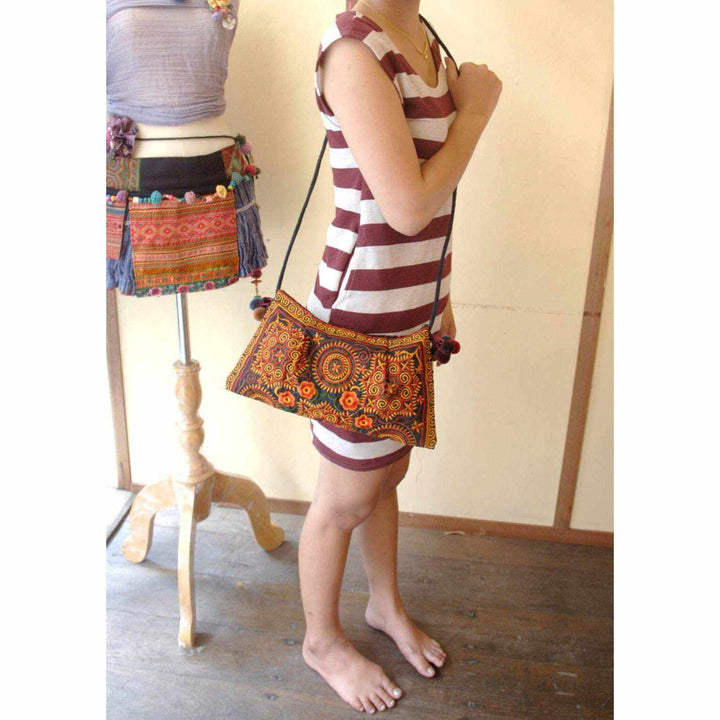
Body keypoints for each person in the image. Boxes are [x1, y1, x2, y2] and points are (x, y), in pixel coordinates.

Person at [298, 0, 502, 713]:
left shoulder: (419, 34)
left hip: (409, 308)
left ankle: (383, 604)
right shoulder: (355, 51)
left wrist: (440, 295)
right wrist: (476, 112)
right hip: (361, 317)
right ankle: (321, 641)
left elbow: (433, 207)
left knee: (389, 473)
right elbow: (409, 206)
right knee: (344, 497)